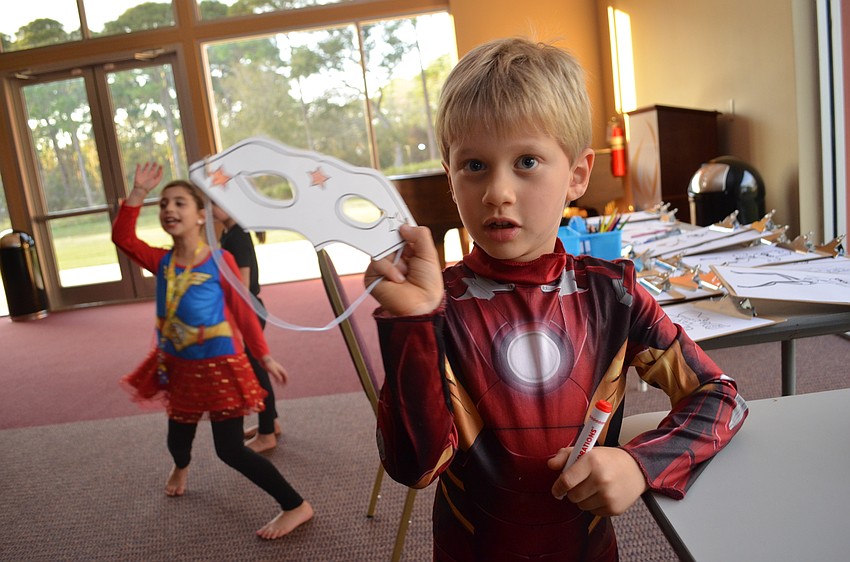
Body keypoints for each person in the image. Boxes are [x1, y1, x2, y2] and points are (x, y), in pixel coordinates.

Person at [364, 37, 748, 561]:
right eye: (473, 165)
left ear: (577, 175)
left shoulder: (613, 294)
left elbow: (722, 397)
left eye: (526, 160)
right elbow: (416, 466)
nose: (497, 191)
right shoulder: (439, 311)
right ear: (449, 178)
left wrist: (641, 463)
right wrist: (412, 325)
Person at [112, 162, 313, 539]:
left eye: (180, 203)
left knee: (230, 451)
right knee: (177, 439)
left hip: (221, 366)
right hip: (179, 367)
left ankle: (295, 505)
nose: (169, 209)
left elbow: (244, 311)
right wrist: (137, 193)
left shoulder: (221, 261)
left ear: (200, 215)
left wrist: (264, 356)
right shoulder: (163, 261)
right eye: (164, 204)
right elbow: (123, 239)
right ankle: (181, 465)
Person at [212, 204, 281, 453]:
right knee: (256, 369)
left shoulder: (238, 235)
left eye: (214, 202)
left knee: (257, 371)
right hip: (249, 309)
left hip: (248, 310)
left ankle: (267, 433)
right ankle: (271, 422)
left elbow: (242, 284)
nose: (209, 208)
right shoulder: (229, 232)